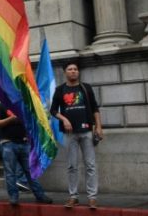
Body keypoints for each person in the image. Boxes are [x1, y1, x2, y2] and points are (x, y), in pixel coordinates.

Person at [50, 61, 102, 210]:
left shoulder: (86, 88)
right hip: (69, 134)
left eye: (75, 69)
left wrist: (98, 127)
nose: (73, 71)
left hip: (86, 131)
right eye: (70, 69)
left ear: (78, 72)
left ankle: (92, 198)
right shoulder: (60, 90)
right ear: (65, 72)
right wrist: (64, 119)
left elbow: (95, 108)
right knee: (72, 166)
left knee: (90, 165)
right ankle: (73, 196)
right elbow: (53, 110)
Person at [0, 103, 53, 206]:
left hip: (24, 143)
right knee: (10, 173)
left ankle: (40, 195)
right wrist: (11, 119)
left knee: (30, 171)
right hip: (8, 143)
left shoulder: (23, 105)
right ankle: (13, 197)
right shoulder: (1, 106)